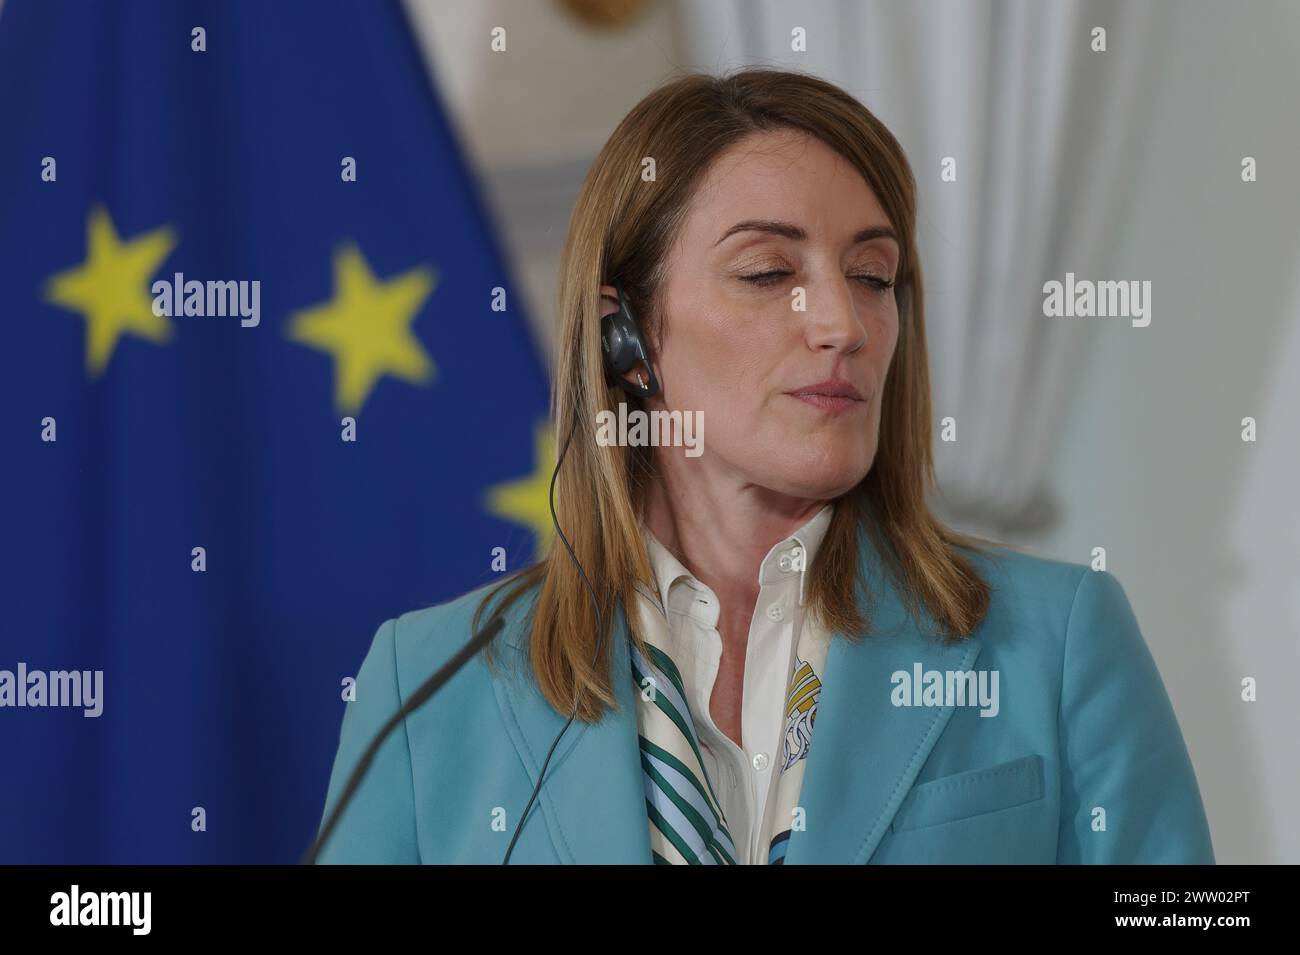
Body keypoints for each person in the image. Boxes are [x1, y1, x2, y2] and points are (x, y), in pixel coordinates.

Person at [316, 67, 1214, 864]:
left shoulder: (1056, 642)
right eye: (766, 271)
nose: (842, 324)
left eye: (872, 275)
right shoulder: (431, 677)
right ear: (625, 337)